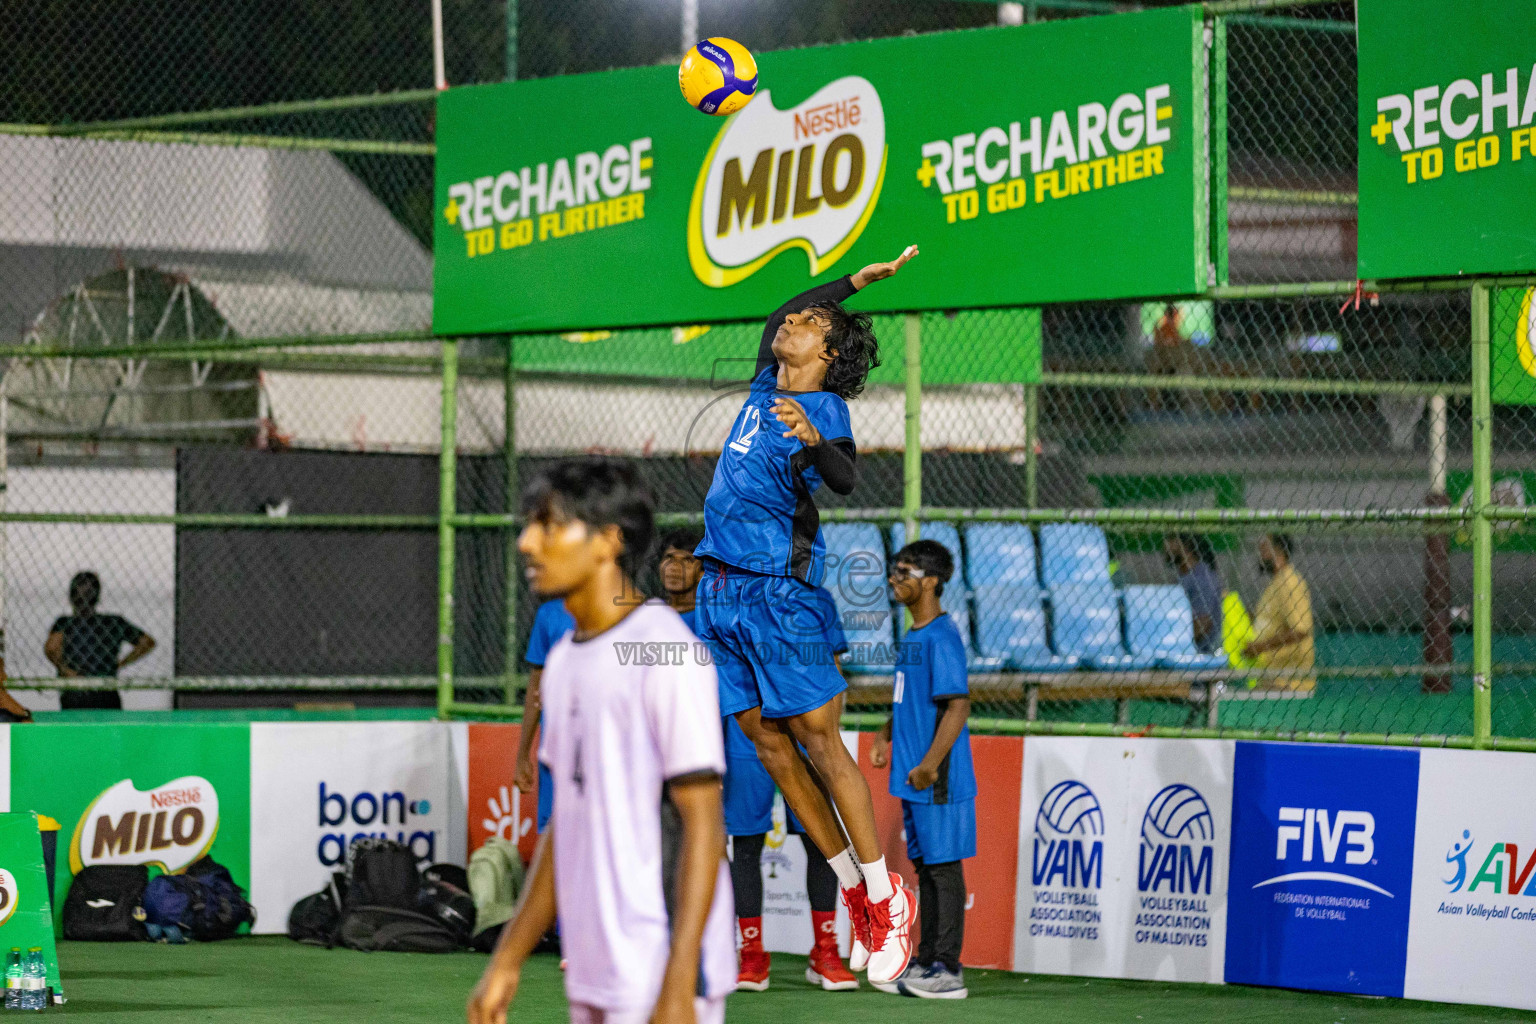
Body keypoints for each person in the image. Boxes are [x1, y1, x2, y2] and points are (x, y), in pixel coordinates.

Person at [693, 245, 919, 986]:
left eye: (811, 320)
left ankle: (887, 899)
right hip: (719, 593)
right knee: (769, 746)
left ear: (827, 351)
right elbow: (779, 308)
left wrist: (816, 441)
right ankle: (851, 890)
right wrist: (856, 282)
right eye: (797, 314)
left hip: (776, 597)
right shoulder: (767, 380)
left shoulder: (821, 407)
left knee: (822, 747)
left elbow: (847, 478)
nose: (793, 318)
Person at [468, 459, 735, 1024]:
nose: (526, 543)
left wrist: (678, 983)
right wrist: (507, 960)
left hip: (660, 969)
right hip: (597, 965)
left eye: (548, 525)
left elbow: (703, 825)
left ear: (608, 541)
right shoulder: (563, 660)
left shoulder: (666, 648)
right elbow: (566, 826)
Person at [658, 526, 857, 993]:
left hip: (806, 740)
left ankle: (826, 952)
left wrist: (823, 742)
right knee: (743, 844)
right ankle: (752, 956)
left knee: (817, 841)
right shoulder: (720, 599)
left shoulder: (816, 599)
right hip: (748, 740)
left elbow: (835, 672)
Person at [870, 540, 975, 1000]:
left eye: (905, 571)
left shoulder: (942, 636)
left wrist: (930, 766)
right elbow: (910, 698)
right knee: (926, 869)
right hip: (914, 779)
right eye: (895, 570)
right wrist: (884, 733)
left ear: (930, 581)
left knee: (943, 870)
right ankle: (926, 959)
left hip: (937, 779)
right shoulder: (914, 634)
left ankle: (947, 970)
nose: (896, 578)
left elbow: (958, 705)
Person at [44, 571, 155, 711]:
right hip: (105, 689)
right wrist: (120, 663)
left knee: (75, 730)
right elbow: (146, 642)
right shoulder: (113, 623)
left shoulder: (65, 623)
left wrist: (67, 671)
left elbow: (51, 648)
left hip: (76, 690)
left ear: (72, 597)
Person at [515, 597, 575, 835]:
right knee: (552, 834)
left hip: (602, 755)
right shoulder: (549, 614)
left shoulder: (627, 614)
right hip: (555, 753)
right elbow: (536, 687)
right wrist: (522, 754)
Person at [1243, 534, 1316, 691]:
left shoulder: (1290, 583)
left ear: (1279, 551)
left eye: (1264, 550)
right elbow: (1269, 621)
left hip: (1290, 683)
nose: (1260, 556)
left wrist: (1260, 647)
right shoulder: (1276, 583)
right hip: (1273, 677)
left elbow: (1300, 630)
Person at [1164, 534, 1224, 654]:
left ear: (1186, 545)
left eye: (1170, 539)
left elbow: (1202, 624)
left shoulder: (1201, 578)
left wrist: (1175, 646)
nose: (1165, 545)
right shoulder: (1182, 577)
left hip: (1201, 653)